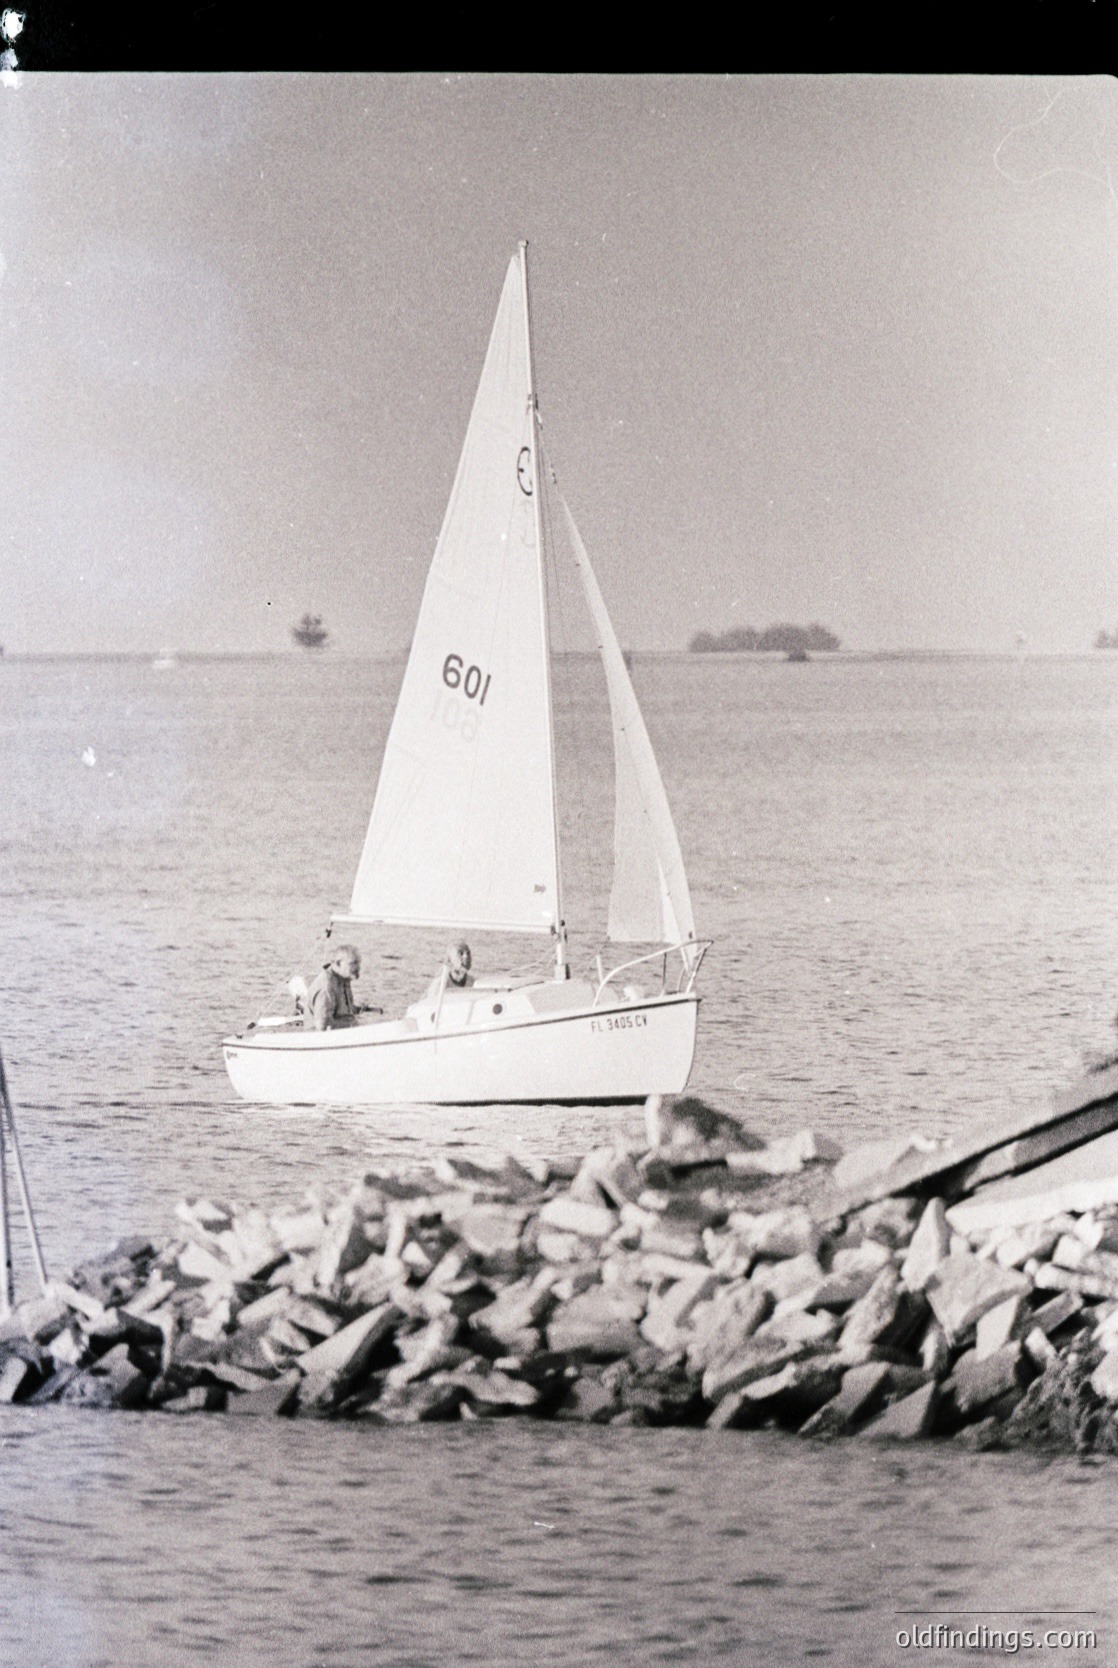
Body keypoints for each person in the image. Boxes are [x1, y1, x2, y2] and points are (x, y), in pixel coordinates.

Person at [305, 943, 364, 1031]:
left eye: (358, 963)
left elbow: (341, 1010)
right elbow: (322, 1025)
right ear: (339, 963)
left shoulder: (343, 978)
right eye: (353, 963)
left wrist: (359, 1009)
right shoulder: (326, 986)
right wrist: (351, 1025)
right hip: (320, 1038)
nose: (358, 967)